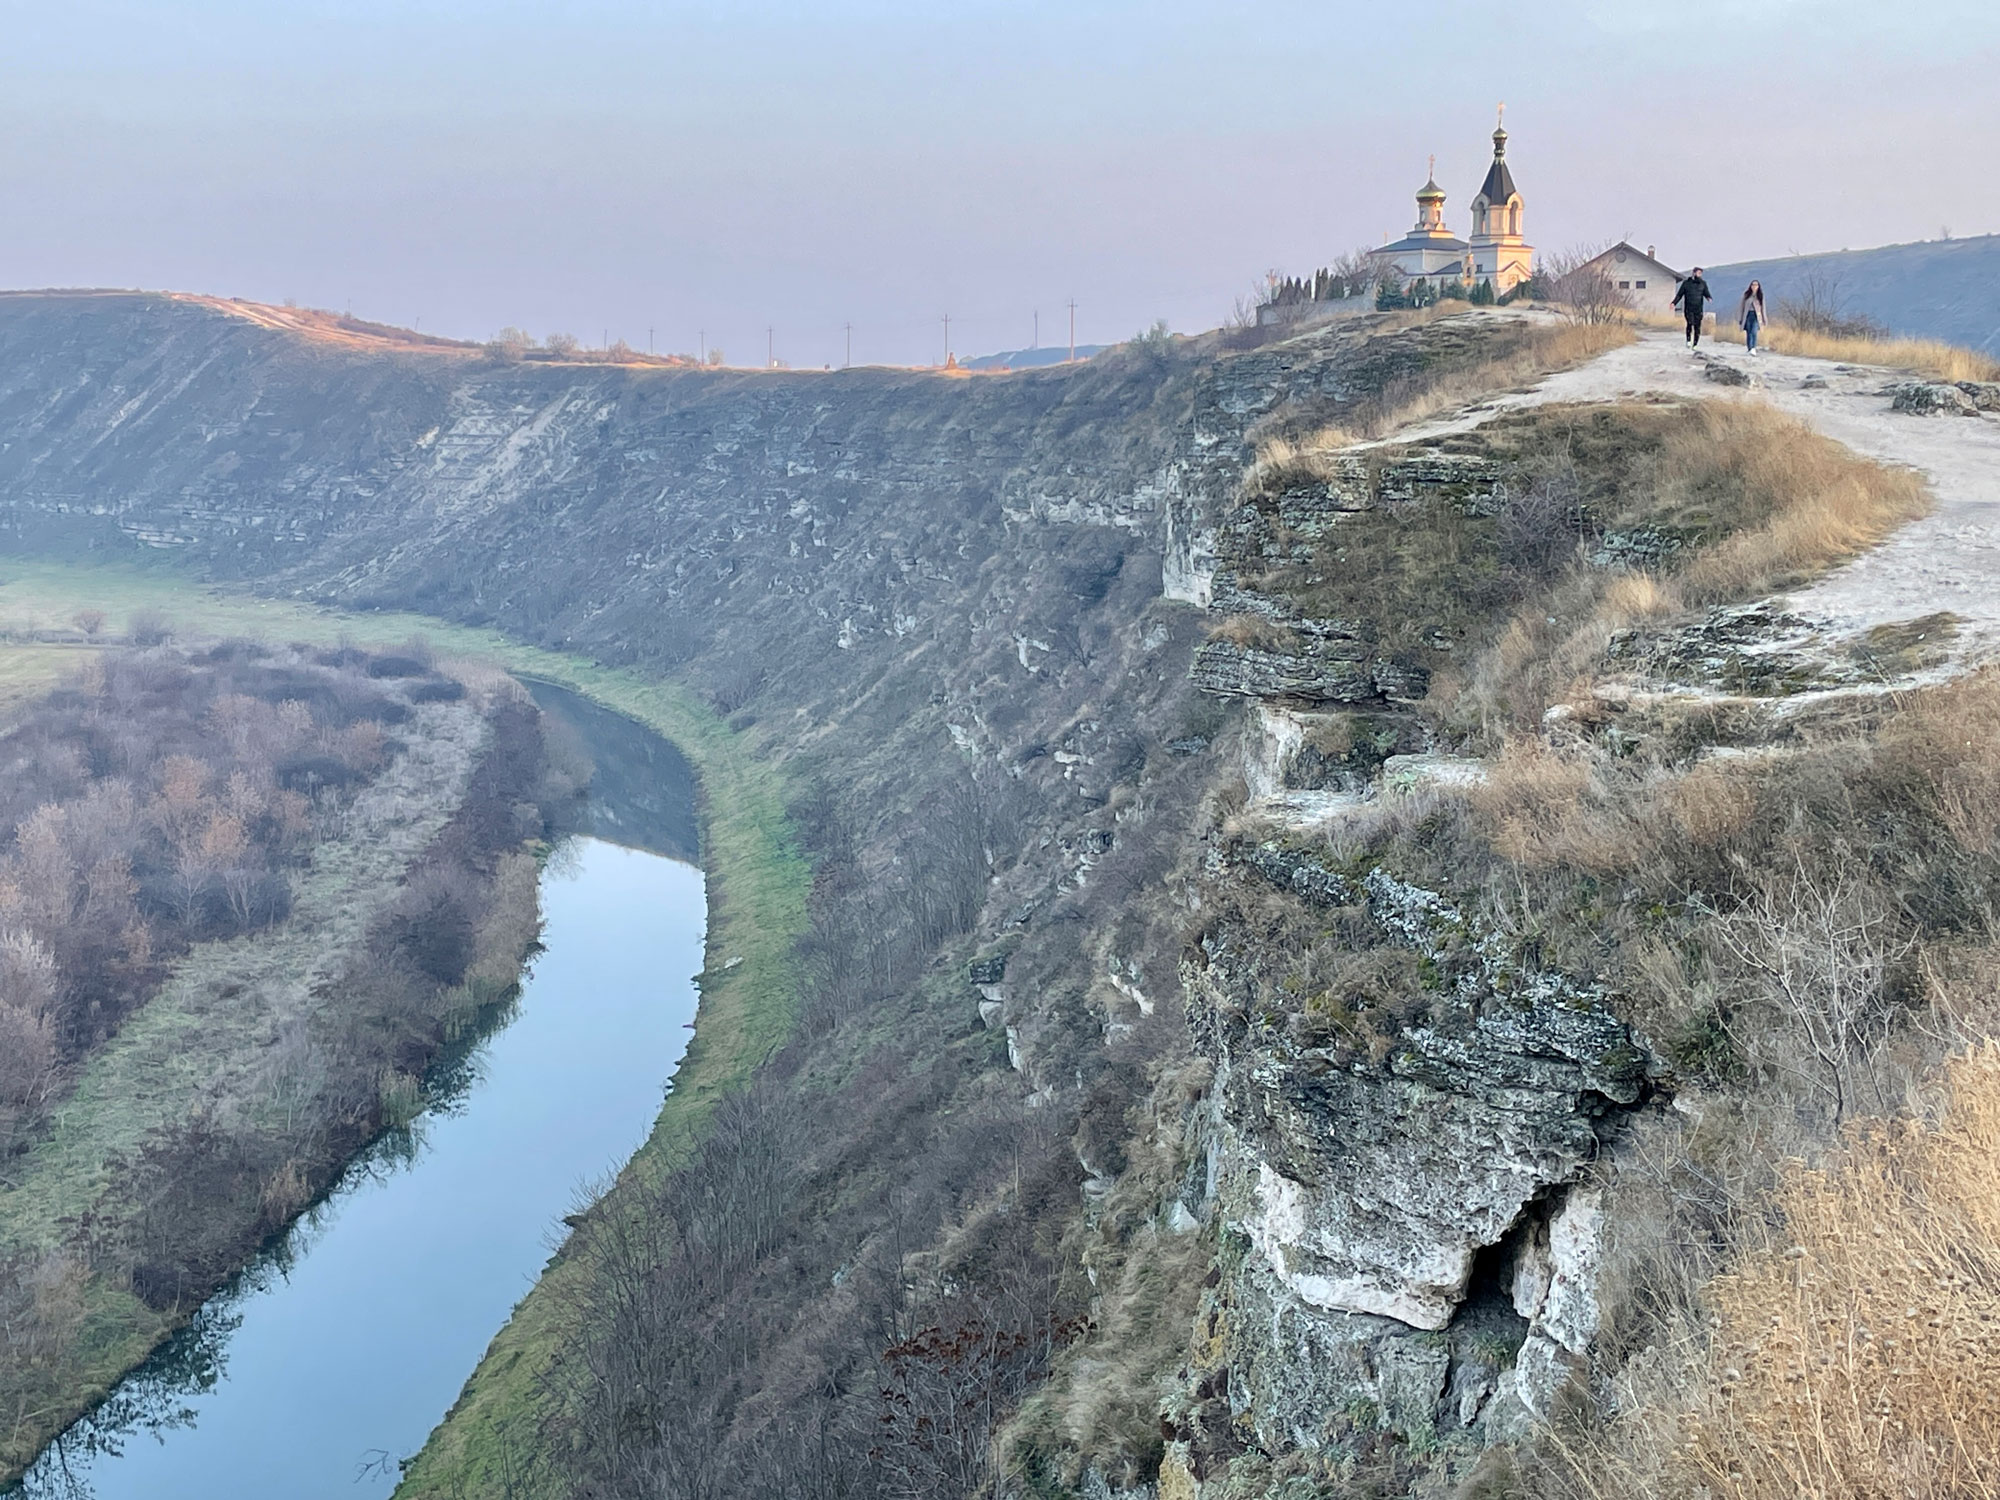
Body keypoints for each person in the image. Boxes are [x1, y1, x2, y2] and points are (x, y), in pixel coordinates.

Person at [1673, 267, 1714, 347]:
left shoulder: (1703, 283)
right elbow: (1679, 294)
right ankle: (1688, 340)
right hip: (1689, 308)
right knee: (1690, 323)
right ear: (1694, 273)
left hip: (1698, 308)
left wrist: (1709, 298)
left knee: (1697, 326)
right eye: (1698, 273)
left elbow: (1706, 293)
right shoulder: (1686, 283)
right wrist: (1674, 303)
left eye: (1700, 273)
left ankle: (1695, 344)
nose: (1700, 275)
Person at [1738, 279, 1768, 356]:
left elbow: (1763, 308)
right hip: (1747, 315)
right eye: (1753, 285)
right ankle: (1749, 348)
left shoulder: (1760, 296)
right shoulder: (1746, 295)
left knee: (1754, 331)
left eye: (1756, 285)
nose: (1754, 286)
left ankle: (1753, 348)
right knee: (1749, 332)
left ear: (1758, 286)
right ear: (1750, 286)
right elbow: (1742, 307)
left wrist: (1764, 319)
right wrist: (1740, 318)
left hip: (1756, 316)